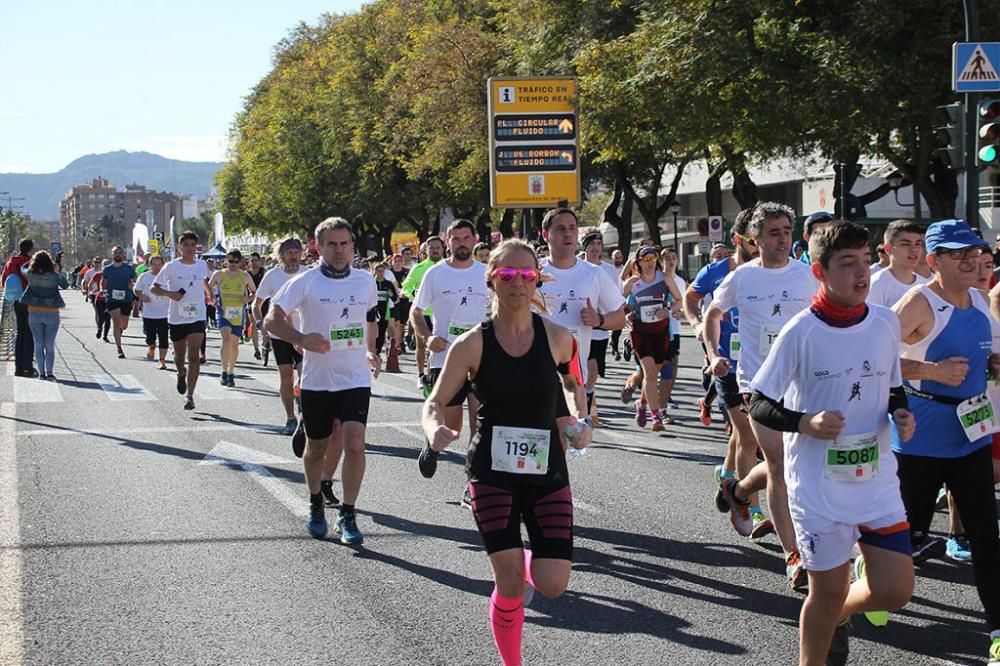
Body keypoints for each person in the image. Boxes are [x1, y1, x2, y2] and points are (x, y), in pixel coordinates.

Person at [749, 221, 915, 665]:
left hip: (876, 479)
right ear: (819, 272)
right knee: (825, 591)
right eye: (848, 264)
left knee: (895, 589)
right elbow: (759, 403)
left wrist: (901, 412)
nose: (862, 274)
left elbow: (892, 386)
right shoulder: (802, 331)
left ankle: (838, 613)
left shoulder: (885, 322)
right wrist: (804, 422)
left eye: (866, 261)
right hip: (819, 487)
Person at [421, 239, 590, 666]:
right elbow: (435, 402)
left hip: (546, 468)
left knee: (553, 584)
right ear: (492, 279)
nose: (518, 282)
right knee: (511, 583)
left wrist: (578, 422)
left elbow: (573, 384)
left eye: (527, 274)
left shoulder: (557, 337)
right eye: (509, 274)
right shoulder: (471, 345)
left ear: (537, 280)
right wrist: (434, 430)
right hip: (491, 473)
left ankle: (522, 558)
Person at [893, 219, 1000, 663]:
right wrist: (933, 371)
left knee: (987, 536)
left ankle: (997, 630)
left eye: (974, 250)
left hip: (971, 436)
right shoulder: (919, 303)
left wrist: (993, 362)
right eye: (958, 253)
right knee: (908, 536)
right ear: (934, 260)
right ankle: (870, 570)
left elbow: (987, 353)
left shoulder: (979, 300)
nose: (971, 259)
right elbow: (873, 357)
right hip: (920, 441)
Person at [705, 202, 818, 589]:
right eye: (774, 232)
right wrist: (714, 353)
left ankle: (737, 489)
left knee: (789, 466)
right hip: (759, 385)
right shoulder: (743, 278)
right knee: (781, 466)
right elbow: (712, 314)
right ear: (756, 239)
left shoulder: (808, 277)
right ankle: (795, 556)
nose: (783, 237)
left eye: (787, 230)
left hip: (804, 384)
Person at [266, 217, 381, 545]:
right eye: (332, 244)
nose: (340, 250)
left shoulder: (364, 281)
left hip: (355, 377)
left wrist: (371, 351)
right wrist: (300, 338)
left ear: (352, 246)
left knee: (355, 443)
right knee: (316, 448)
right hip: (317, 380)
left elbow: (370, 318)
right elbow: (272, 320)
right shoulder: (305, 282)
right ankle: (316, 503)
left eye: (345, 243)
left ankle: (348, 512)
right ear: (318, 247)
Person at [684, 208, 773, 540]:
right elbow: (691, 298)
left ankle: (727, 475)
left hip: (762, 365)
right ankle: (753, 504)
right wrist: (696, 327)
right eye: (753, 239)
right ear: (738, 240)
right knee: (748, 437)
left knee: (741, 435)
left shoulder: (771, 273)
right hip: (726, 364)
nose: (758, 244)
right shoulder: (717, 271)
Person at [412, 220, 490, 478]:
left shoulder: (487, 272)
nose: (461, 243)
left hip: (481, 358)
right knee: (453, 425)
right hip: (445, 357)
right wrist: (427, 337)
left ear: (474, 239)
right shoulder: (435, 274)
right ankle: (433, 445)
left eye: (466, 238)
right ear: (448, 241)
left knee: (480, 423)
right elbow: (416, 311)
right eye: (455, 239)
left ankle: (474, 481)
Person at [540, 210, 626, 431]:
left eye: (572, 229)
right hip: (535, 375)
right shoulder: (534, 272)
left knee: (564, 443)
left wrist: (599, 319)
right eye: (560, 229)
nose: (568, 234)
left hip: (573, 378)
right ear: (545, 234)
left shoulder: (593, 274)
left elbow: (621, 316)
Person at [152, 230, 212, 411]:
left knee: (194, 356)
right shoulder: (171, 266)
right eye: (186, 245)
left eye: (193, 245)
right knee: (179, 356)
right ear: (179, 248)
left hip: (197, 316)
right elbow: (155, 288)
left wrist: (211, 296)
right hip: (177, 317)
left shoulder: (201, 265)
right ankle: (180, 373)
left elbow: (202, 282)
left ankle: (190, 396)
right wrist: (171, 294)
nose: (190, 248)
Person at [254, 238, 309, 437]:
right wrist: (261, 325)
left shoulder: (309, 274)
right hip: (281, 335)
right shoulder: (272, 276)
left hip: (304, 334)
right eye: (289, 252)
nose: (293, 255)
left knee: (305, 379)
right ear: (281, 255)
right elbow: (256, 304)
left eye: (296, 252)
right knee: (286, 378)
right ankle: (290, 418)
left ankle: (302, 403)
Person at [622, 246, 680, 431]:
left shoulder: (665, 279)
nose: (649, 263)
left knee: (653, 374)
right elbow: (618, 304)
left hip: (660, 332)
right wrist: (626, 315)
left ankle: (642, 404)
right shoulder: (633, 282)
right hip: (640, 332)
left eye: (653, 259)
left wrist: (668, 310)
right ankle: (656, 417)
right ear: (638, 262)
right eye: (645, 260)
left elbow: (680, 300)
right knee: (649, 373)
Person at [580, 230, 623, 426]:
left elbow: (616, 301)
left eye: (599, 244)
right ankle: (584, 413)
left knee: (592, 373)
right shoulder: (578, 268)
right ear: (585, 247)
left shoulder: (608, 270)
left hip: (600, 328)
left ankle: (587, 399)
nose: (596, 248)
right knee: (586, 369)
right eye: (592, 244)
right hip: (580, 328)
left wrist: (603, 317)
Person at [209, 249, 257, 387]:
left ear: (240, 262)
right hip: (223, 312)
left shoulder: (245, 276)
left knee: (234, 345)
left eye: (236, 261)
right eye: (230, 261)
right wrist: (212, 299)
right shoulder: (218, 274)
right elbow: (208, 288)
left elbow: (255, 292)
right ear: (226, 261)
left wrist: (247, 298)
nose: (233, 264)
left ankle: (231, 372)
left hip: (238, 314)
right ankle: (223, 371)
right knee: (226, 339)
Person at [402, 237, 445, 386]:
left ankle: (437, 375)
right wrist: (415, 294)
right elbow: (406, 286)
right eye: (431, 247)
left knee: (441, 346)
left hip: (442, 314)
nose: (434, 250)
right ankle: (421, 375)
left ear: (443, 248)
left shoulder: (449, 267)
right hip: (423, 313)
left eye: (437, 247)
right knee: (421, 345)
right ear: (425, 251)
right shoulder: (419, 268)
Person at [20, 250, 68, 380]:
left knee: (38, 343)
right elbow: (65, 284)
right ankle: (50, 372)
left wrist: (30, 261)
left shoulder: (30, 274)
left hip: (34, 312)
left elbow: (22, 268)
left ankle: (41, 373)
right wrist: (57, 269)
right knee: (49, 344)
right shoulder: (54, 276)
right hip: (51, 313)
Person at [867, 221, 928, 308]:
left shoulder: (925, 285)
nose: (914, 249)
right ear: (888, 249)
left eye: (918, 244)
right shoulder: (876, 284)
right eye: (905, 244)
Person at [657, 246, 687, 413]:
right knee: (658, 366)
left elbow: (681, 303)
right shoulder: (657, 278)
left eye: (673, 257)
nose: (671, 260)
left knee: (673, 364)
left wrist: (679, 312)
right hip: (657, 328)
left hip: (674, 328)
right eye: (667, 258)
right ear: (662, 261)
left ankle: (666, 396)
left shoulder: (680, 281)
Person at [3, 239, 36, 377]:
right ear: (30, 249)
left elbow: (4, 279)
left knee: (19, 333)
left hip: (16, 300)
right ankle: (28, 366)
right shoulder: (31, 262)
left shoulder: (11, 262)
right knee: (29, 333)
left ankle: (18, 367)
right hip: (30, 299)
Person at [134, 255, 170, 370]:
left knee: (164, 338)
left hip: (165, 313)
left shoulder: (168, 277)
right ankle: (152, 346)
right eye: (154, 264)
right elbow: (136, 289)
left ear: (163, 265)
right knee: (150, 338)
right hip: (149, 313)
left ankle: (162, 360)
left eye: (159, 264)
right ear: (150, 265)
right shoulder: (144, 277)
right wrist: (142, 296)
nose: (157, 267)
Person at [102, 246, 137, 359]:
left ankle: (120, 331)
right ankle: (119, 348)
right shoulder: (107, 269)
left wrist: (133, 286)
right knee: (116, 323)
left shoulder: (129, 268)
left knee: (124, 325)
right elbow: (104, 282)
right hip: (112, 299)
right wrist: (104, 291)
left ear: (123, 255)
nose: (118, 254)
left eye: (120, 253)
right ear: (112, 255)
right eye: (115, 253)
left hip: (126, 298)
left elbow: (135, 281)